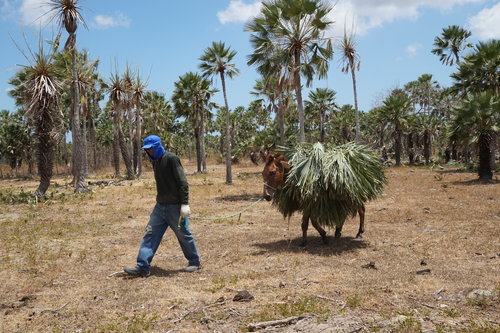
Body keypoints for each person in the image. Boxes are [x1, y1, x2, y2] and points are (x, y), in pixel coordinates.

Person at [124, 135, 201, 277]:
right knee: (150, 234)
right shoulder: (155, 162)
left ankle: (194, 262)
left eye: (151, 149)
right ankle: (142, 267)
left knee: (183, 234)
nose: (150, 152)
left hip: (175, 207)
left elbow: (183, 183)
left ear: (158, 146)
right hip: (160, 207)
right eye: (147, 150)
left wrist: (184, 204)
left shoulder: (171, 159)